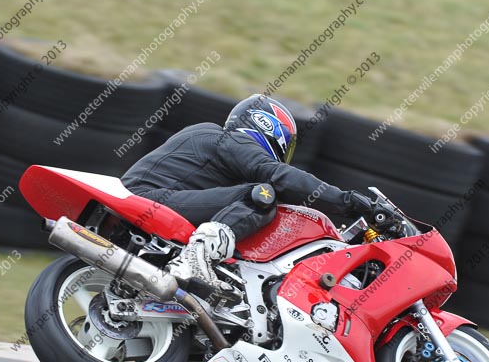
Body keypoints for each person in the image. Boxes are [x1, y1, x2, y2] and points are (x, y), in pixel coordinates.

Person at [121, 94, 376, 287]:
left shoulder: (215, 144)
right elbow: (280, 176)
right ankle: (195, 259)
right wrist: (347, 201)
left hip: (149, 199)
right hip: (149, 200)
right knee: (262, 195)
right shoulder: (228, 138)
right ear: (270, 128)